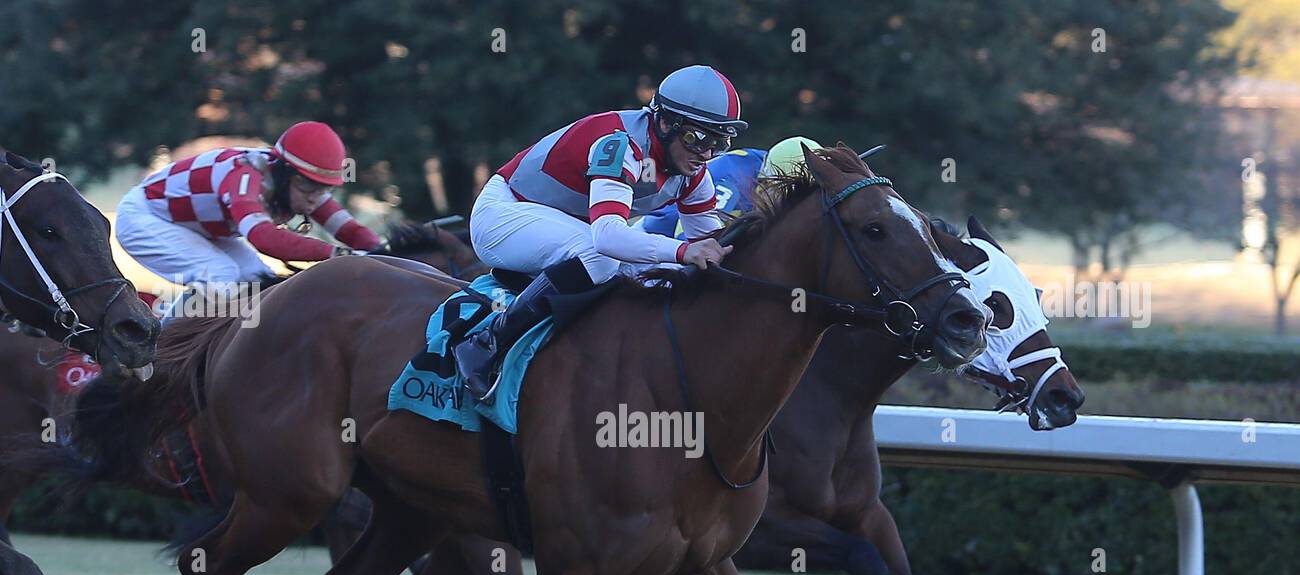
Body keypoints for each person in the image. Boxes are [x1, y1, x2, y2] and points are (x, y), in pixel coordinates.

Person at [454, 65, 746, 400]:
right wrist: (682, 251)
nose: (706, 154)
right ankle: (485, 344)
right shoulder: (620, 145)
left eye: (719, 142)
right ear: (665, 123)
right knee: (603, 257)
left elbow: (710, 252)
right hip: (502, 214)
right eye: (697, 138)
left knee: (660, 277)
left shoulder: (695, 175)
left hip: (566, 226)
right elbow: (607, 237)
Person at [115, 121, 382, 316]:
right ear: (283, 173)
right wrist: (338, 254)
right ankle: (163, 352)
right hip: (144, 217)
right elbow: (264, 238)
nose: (315, 198)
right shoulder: (244, 176)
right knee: (221, 276)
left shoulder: (297, 183)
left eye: (324, 188)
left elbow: (351, 230)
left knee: (259, 282)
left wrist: (385, 252)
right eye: (308, 187)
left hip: (195, 228)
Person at [637, 135, 822, 238]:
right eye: (786, 197)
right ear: (765, 182)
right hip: (654, 239)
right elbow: (690, 239)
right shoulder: (733, 181)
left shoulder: (777, 163)